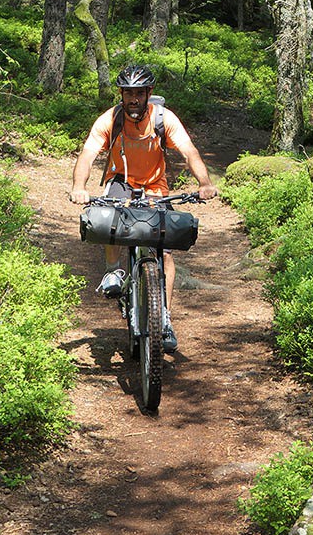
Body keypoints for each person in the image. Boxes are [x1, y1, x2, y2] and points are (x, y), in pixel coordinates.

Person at [69, 63, 217, 353]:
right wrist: (79, 187)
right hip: (120, 180)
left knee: (164, 250)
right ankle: (114, 271)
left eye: (139, 93)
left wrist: (205, 182)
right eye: (128, 94)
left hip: (155, 186)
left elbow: (189, 151)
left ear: (149, 93)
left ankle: (164, 318)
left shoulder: (164, 119)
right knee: (110, 220)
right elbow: (87, 154)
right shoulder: (110, 119)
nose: (133, 100)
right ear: (121, 95)